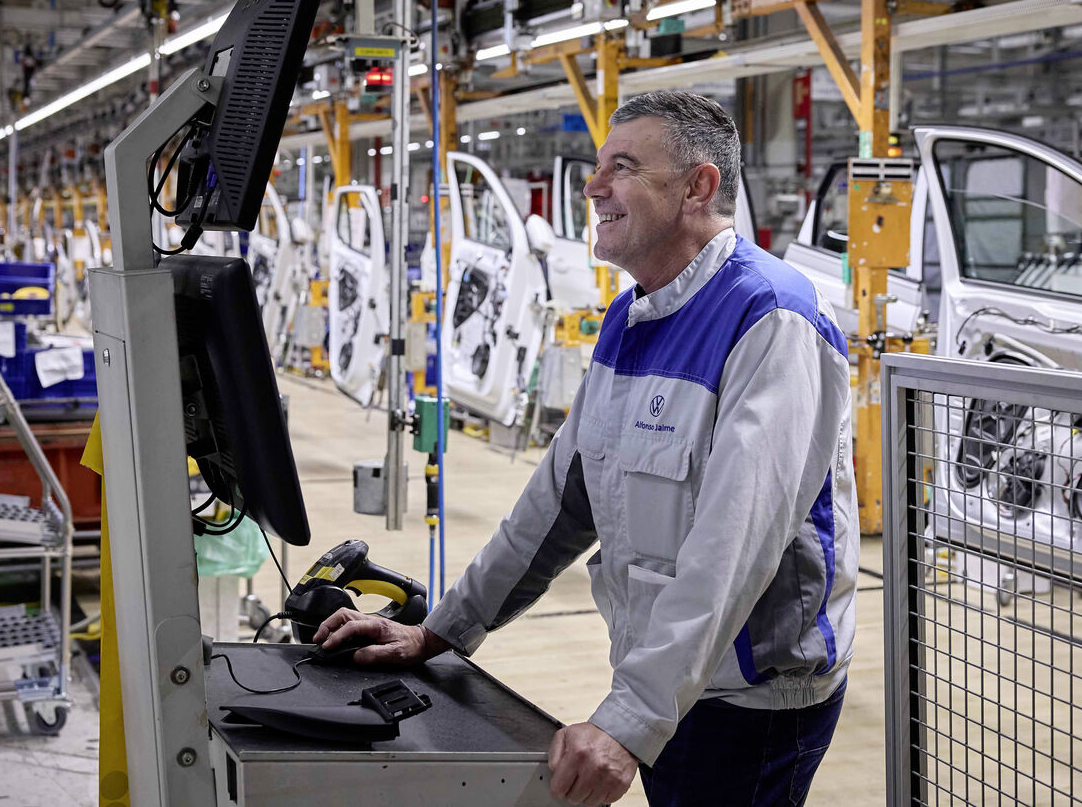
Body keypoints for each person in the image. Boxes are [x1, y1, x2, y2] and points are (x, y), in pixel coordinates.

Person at [315, 90, 857, 806]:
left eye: (622, 167)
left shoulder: (771, 319)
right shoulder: (630, 318)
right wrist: (439, 631)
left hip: (749, 697)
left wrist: (630, 721)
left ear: (698, 187)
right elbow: (556, 505)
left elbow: (735, 547)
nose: (593, 186)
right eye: (598, 167)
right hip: (668, 677)